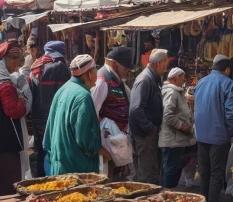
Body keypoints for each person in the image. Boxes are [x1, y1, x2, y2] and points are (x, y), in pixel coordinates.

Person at [43, 55, 111, 175]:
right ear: (88, 74)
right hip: (76, 167)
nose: (96, 75)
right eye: (95, 71)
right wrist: (98, 149)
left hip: (60, 162)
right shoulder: (83, 97)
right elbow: (85, 138)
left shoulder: (64, 89)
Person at [194, 54, 233, 202]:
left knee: (204, 170)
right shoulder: (227, 83)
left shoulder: (201, 82)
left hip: (201, 134)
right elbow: (232, 112)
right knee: (216, 171)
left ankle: (203, 201)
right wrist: (230, 131)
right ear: (227, 70)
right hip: (218, 135)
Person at [29, 40, 70, 176]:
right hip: (53, 121)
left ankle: (37, 184)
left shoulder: (35, 65)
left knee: (39, 153)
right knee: (54, 156)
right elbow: (64, 98)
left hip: (37, 120)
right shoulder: (59, 67)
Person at [91, 47, 133, 179]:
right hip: (107, 137)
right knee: (108, 172)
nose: (126, 72)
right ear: (114, 63)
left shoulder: (115, 78)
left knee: (116, 170)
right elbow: (93, 111)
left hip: (116, 136)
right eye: (125, 68)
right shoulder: (102, 81)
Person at [129, 49, 168, 185]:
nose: (165, 68)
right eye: (165, 64)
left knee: (147, 176)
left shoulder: (151, 78)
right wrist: (150, 129)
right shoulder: (145, 80)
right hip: (145, 138)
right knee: (148, 179)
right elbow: (135, 110)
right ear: (158, 63)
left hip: (146, 136)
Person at [159, 67, 196, 188]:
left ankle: (172, 193)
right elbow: (168, 115)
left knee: (174, 167)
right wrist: (182, 126)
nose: (183, 81)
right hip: (172, 139)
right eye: (181, 79)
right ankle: (167, 195)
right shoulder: (171, 92)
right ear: (174, 79)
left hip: (177, 139)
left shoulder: (176, 91)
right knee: (170, 168)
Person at [0, 42, 26, 194]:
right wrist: (22, 101)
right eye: (15, 62)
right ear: (7, 60)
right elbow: (14, 111)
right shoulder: (5, 84)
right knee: (8, 182)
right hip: (6, 141)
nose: (15, 67)